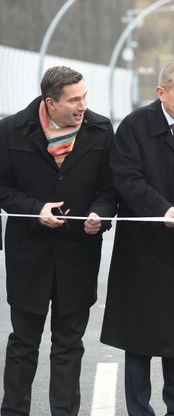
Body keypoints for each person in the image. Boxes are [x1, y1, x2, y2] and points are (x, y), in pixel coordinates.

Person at [100, 61, 174, 415]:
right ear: (161, 92)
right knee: (138, 340)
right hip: (143, 251)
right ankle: (139, 409)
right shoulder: (135, 126)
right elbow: (126, 178)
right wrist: (161, 209)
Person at [0, 66, 116, 415]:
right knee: (23, 342)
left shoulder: (100, 129)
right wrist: (35, 210)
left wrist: (100, 215)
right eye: (74, 100)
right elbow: (2, 188)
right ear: (50, 102)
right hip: (28, 256)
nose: (83, 106)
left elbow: (109, 190)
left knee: (68, 343)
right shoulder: (12, 130)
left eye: (84, 96)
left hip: (78, 254)